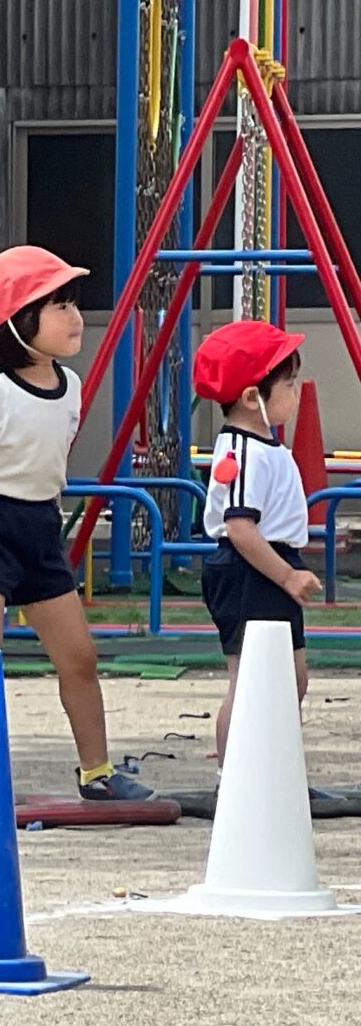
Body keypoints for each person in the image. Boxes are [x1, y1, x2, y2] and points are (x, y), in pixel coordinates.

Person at [0, 245, 156, 802]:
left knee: (80, 657)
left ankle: (97, 774)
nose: (76, 317)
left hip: (40, 531)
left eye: (74, 304)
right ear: (19, 320)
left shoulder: (69, 386)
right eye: (61, 306)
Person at [193, 319, 321, 761]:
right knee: (250, 679)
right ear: (252, 398)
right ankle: (236, 775)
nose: (297, 392)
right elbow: (240, 527)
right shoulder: (242, 452)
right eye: (289, 384)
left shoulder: (264, 445)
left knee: (290, 678)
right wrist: (287, 576)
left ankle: (275, 770)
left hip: (269, 563)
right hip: (250, 569)